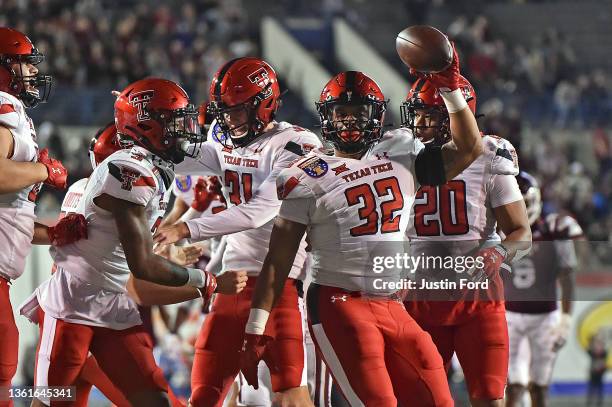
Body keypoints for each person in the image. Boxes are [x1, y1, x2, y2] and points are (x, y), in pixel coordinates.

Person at [241, 47, 484, 406]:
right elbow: (278, 261)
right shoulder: (306, 175)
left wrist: (449, 88)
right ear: (327, 118)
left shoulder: (402, 152)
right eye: (342, 114)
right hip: (339, 301)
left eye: (359, 114)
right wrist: (255, 327)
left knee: (438, 399)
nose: (351, 123)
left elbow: (469, 148)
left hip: (392, 304)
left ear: (377, 117)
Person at [29, 78, 247, 407]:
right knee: (52, 403)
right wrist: (208, 281)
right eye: (175, 121)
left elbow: (128, 255)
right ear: (148, 126)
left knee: (155, 400)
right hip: (72, 309)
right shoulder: (127, 172)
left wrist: (177, 236)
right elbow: (141, 266)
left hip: (112, 305)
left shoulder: (144, 170)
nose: (185, 130)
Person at [152, 57, 322, 406]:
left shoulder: (298, 144)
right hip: (234, 279)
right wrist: (149, 135)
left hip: (283, 282)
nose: (228, 119)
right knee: (206, 390)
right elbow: (188, 159)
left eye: (238, 111)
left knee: (289, 389)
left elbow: (260, 211)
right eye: (223, 111)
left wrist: (187, 227)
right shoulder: (222, 135)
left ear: (265, 103)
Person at [401, 76, 532, 407]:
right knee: (421, 399)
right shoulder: (400, 154)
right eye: (417, 113)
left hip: (478, 299)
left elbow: (521, 233)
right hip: (418, 296)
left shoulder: (489, 155)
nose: (421, 123)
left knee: (489, 397)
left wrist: (500, 251)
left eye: (432, 114)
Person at [0, 27, 68, 403]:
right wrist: (45, 171)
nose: (30, 71)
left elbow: (9, 213)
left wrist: (51, 233)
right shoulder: (3, 107)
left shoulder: (13, 111)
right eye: (22, 62)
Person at [504, 171, 582, 407]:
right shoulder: (499, 230)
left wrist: (566, 320)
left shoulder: (554, 228)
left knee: (539, 387)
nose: (519, 209)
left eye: (523, 203)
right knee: (514, 385)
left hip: (545, 315)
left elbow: (568, 276)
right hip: (509, 314)